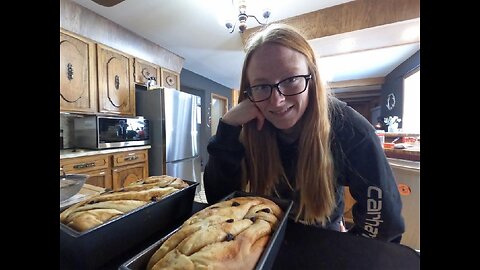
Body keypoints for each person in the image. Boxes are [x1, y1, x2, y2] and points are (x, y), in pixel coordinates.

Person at [203, 23, 405, 243]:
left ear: (312, 78)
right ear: (249, 89)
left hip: (323, 241)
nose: (277, 101)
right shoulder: (248, 126)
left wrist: (346, 251)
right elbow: (219, 203)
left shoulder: (351, 131)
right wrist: (227, 127)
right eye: (262, 86)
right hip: (263, 242)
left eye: (290, 80)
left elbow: (385, 223)